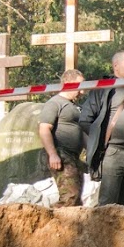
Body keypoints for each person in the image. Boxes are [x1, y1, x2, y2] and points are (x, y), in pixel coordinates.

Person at [81, 51, 124, 207]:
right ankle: (101, 232)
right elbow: (85, 119)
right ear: (116, 66)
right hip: (113, 153)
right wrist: (100, 141)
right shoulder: (103, 89)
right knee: (108, 205)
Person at [38, 69, 87, 208]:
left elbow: (82, 132)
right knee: (70, 197)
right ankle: (48, 222)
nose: (82, 92)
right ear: (68, 83)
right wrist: (53, 154)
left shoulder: (76, 107)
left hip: (74, 156)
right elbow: (44, 128)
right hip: (61, 154)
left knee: (76, 199)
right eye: (79, 86)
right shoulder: (55, 103)